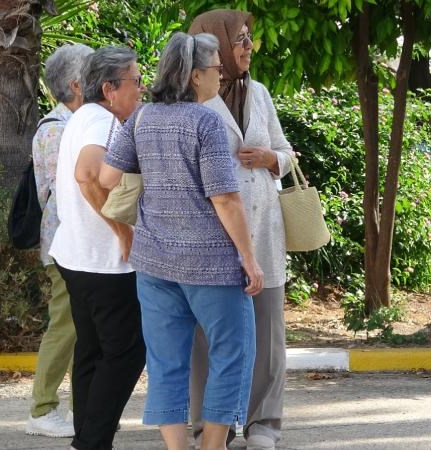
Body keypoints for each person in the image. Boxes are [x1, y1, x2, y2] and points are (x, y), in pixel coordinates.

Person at [99, 32, 263, 450]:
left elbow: (106, 178)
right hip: (211, 264)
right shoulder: (205, 121)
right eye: (214, 69)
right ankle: (211, 447)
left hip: (154, 263)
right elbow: (225, 198)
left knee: (166, 363)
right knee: (231, 356)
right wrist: (249, 257)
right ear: (194, 76)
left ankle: (177, 448)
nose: (220, 74)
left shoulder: (142, 117)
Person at [188, 10, 295, 450]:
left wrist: (271, 160)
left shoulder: (261, 94)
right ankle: (208, 426)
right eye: (241, 40)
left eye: (250, 40)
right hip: (212, 231)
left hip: (263, 228)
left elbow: (287, 152)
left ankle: (264, 423)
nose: (248, 48)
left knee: (267, 333)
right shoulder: (190, 98)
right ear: (214, 45)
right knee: (205, 336)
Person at [48, 45, 147, 450]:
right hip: (104, 263)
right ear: (109, 89)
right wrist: (122, 230)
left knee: (92, 350)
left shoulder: (83, 117)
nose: (141, 89)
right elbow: (88, 173)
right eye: (135, 82)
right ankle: (93, 439)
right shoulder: (102, 123)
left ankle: (87, 439)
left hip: (78, 256)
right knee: (125, 353)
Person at [26, 43, 95, 439]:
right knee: (65, 325)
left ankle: (73, 406)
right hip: (65, 245)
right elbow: (66, 190)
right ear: (75, 83)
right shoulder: (57, 128)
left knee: (81, 326)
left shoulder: (80, 123)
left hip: (79, 244)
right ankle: (42, 407)